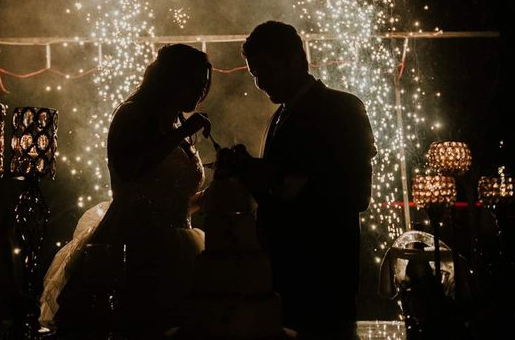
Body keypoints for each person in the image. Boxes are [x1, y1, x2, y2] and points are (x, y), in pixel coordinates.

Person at [39, 44, 212, 338]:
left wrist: (221, 189)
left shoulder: (176, 123)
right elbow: (130, 171)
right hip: (134, 244)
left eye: (204, 84)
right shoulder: (132, 115)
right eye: (194, 82)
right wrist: (181, 134)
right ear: (171, 80)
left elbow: (175, 201)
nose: (200, 91)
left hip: (180, 245)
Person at [235, 20, 377, 339]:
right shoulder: (279, 115)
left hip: (325, 269)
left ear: (297, 60)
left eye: (266, 71)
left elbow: (357, 193)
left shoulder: (345, 108)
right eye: (255, 74)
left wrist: (275, 178)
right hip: (281, 272)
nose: (260, 83)